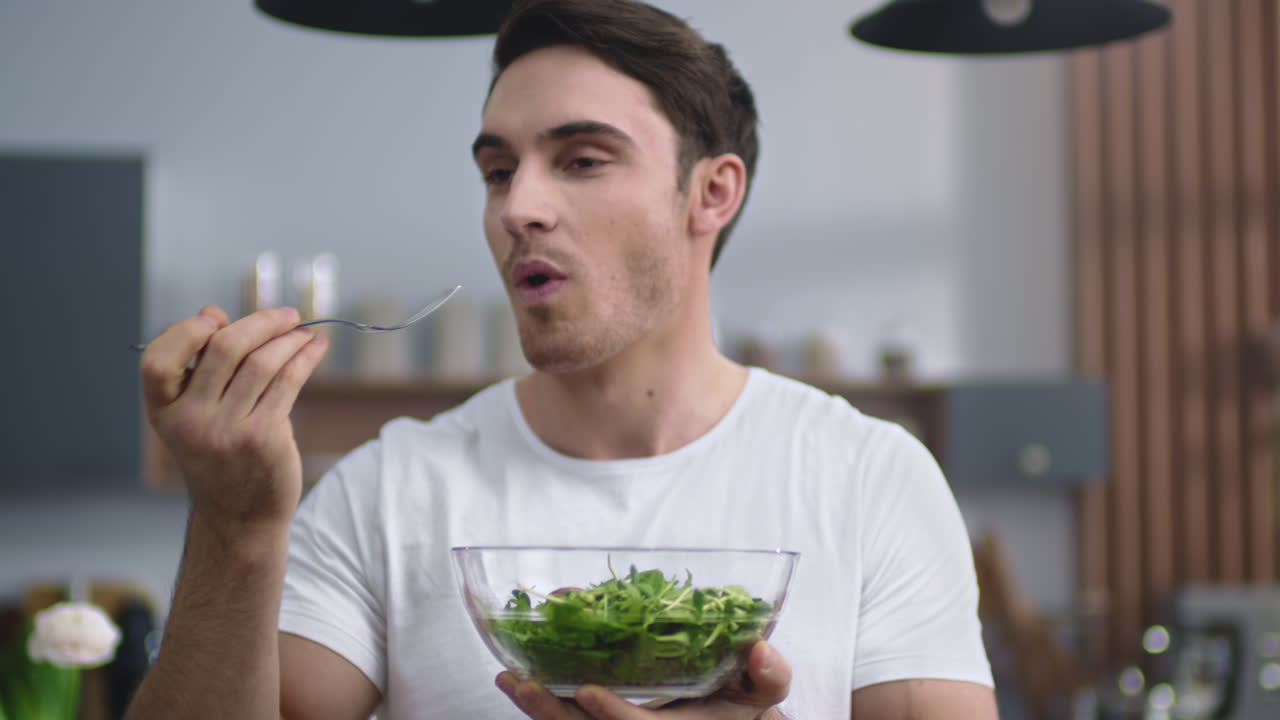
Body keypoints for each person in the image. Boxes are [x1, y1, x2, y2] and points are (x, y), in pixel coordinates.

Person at [127, 0, 997, 718]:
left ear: (711, 193)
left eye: (581, 160)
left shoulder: (868, 479)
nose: (519, 208)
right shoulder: (391, 490)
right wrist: (233, 529)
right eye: (499, 171)